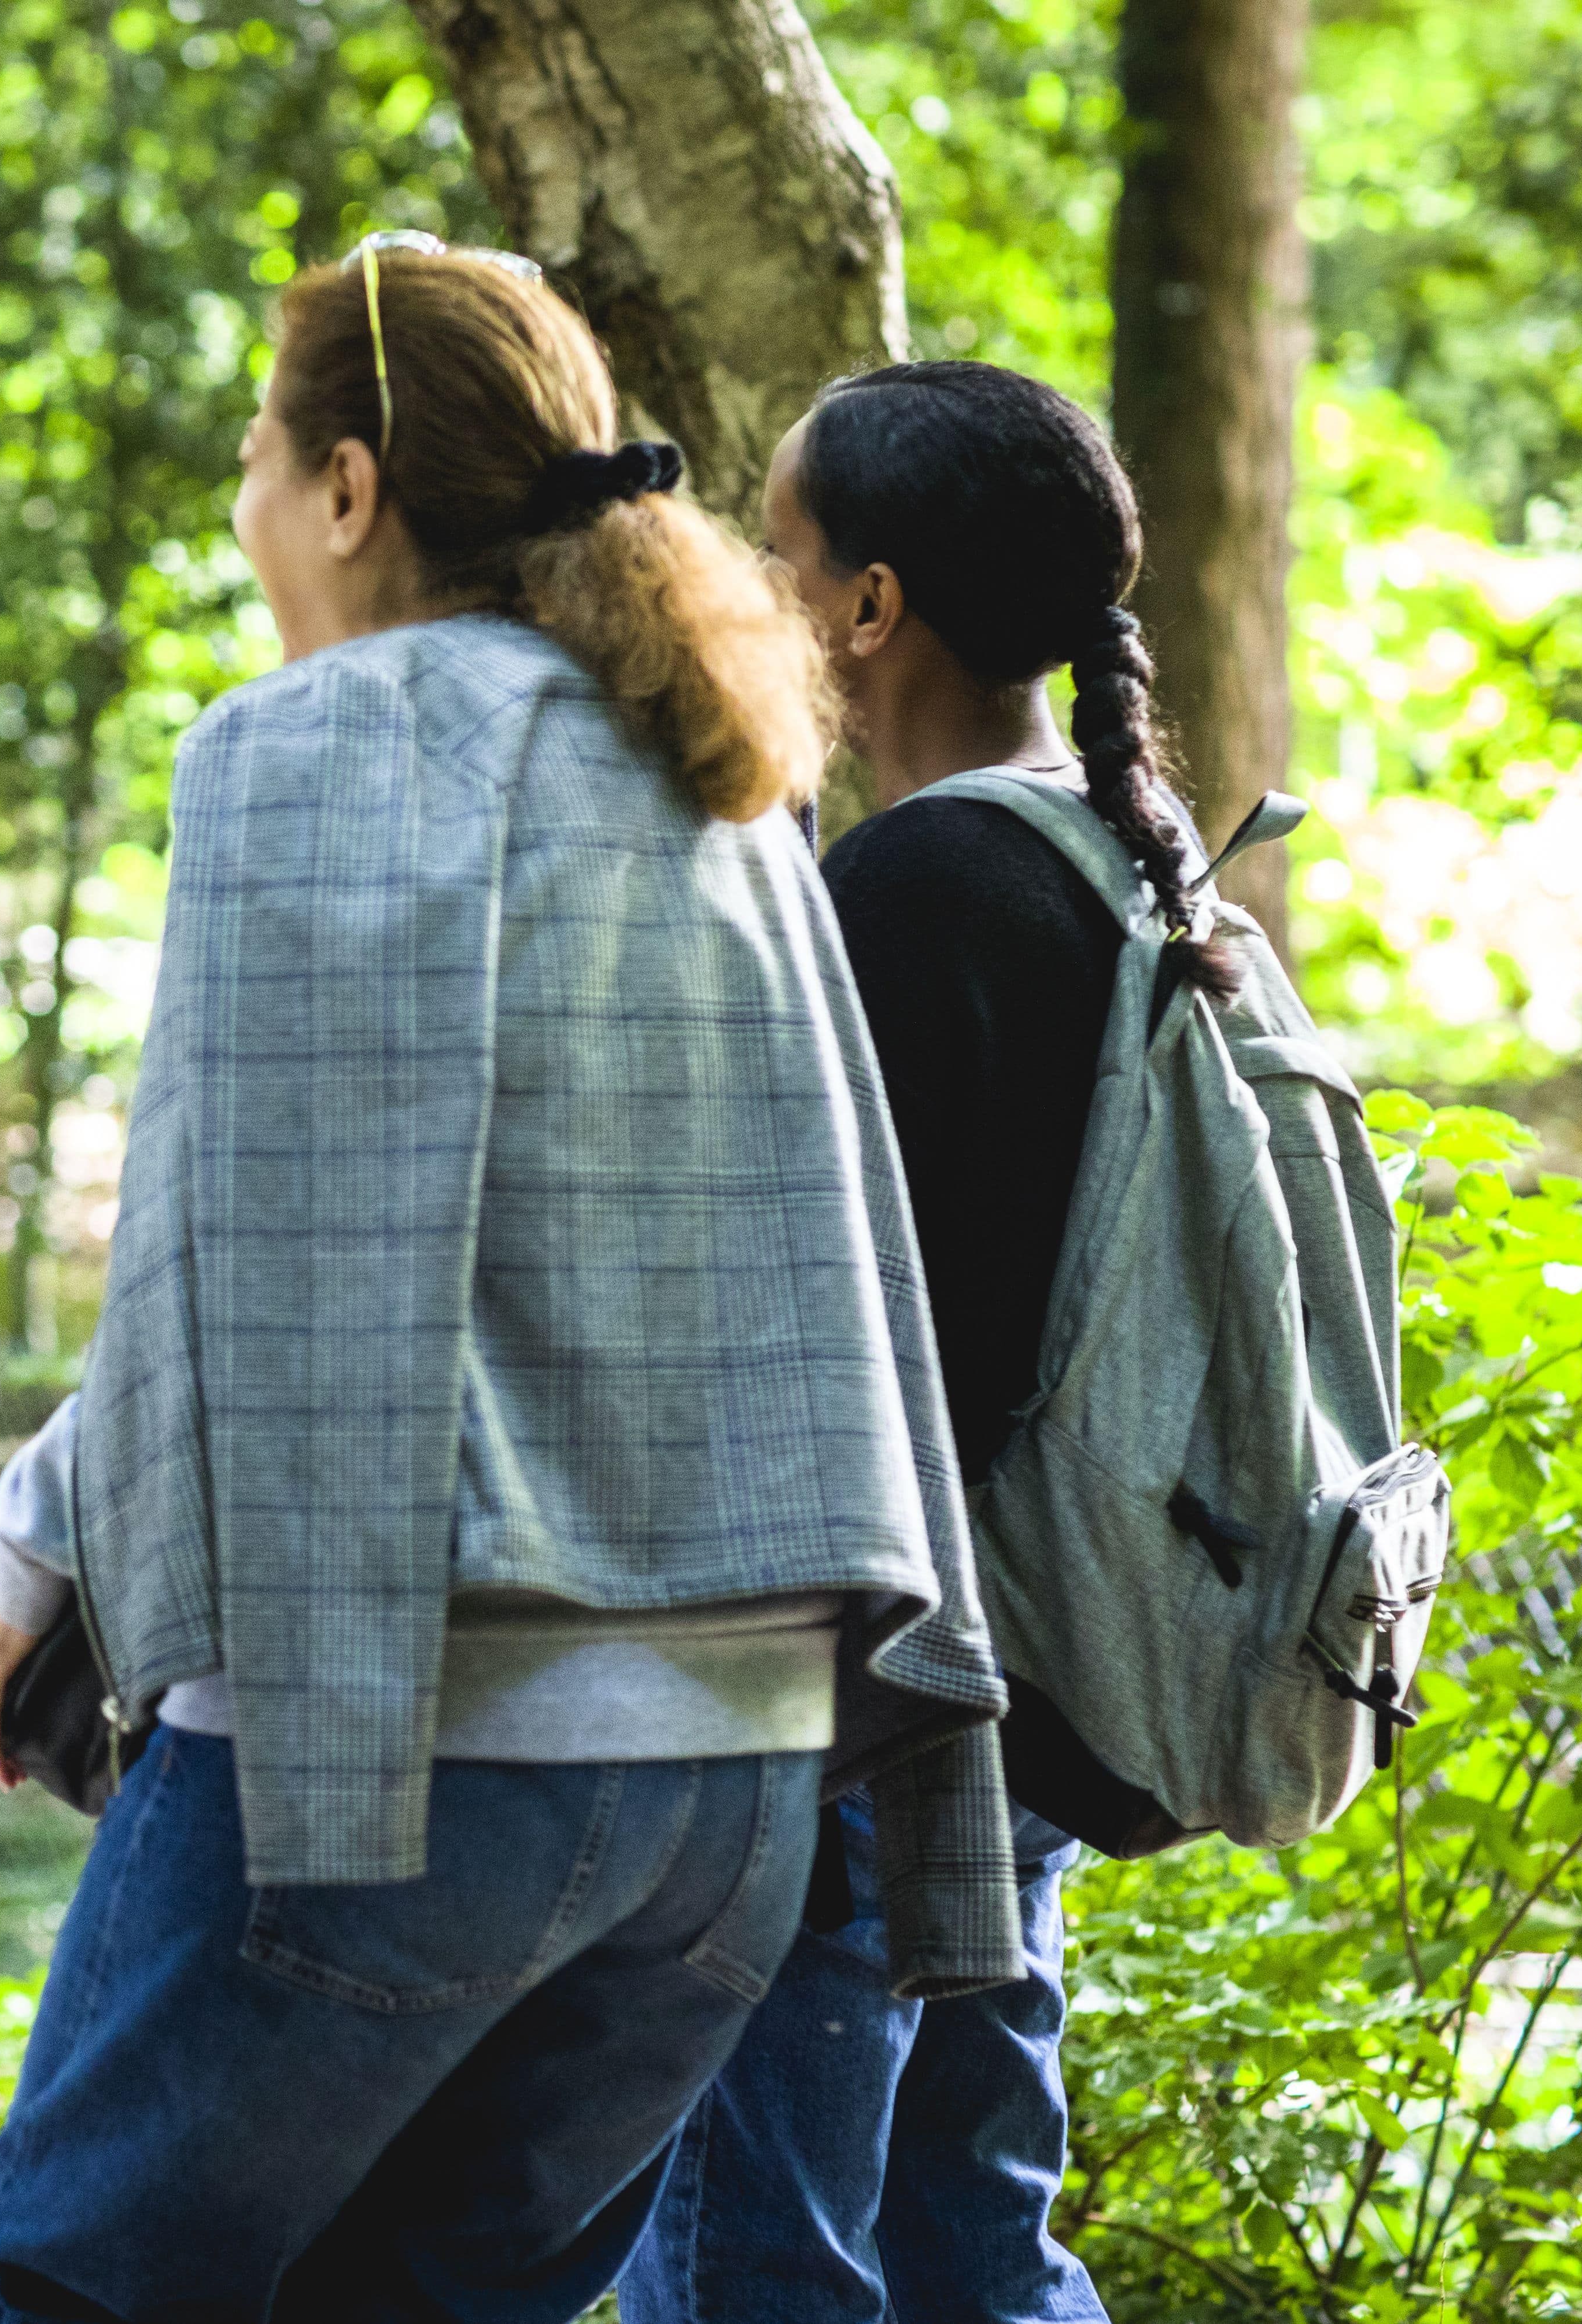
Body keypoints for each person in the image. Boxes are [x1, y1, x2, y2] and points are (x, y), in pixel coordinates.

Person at [0, 239, 1024, 2324]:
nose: (246, 515)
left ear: (346, 487)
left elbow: (239, 1242)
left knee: (71, 2283)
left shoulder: (319, 741)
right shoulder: (715, 773)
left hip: (408, 1740)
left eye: (256, 464)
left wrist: (34, 1546)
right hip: (723, 1795)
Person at [614, 360, 1200, 2324]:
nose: (752, 601)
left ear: (868, 608)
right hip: (1032, 1653)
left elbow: (828, 1332)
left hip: (866, 1683)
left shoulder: (916, 888)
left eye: (776, 561)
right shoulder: (1124, 855)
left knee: (768, 2236)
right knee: (973, 2215)